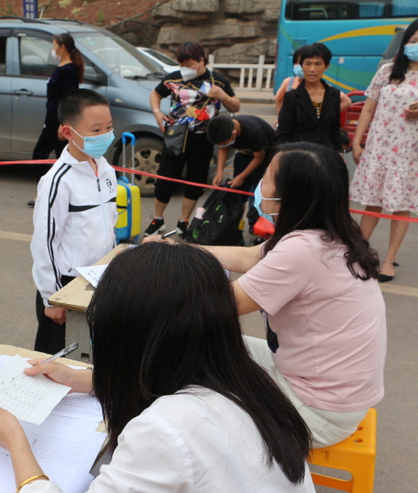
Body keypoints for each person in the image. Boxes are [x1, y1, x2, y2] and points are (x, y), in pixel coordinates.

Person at [0, 242, 322, 493]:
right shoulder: (246, 381)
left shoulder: (167, 432)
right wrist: (88, 380)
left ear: (130, 339)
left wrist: (15, 441)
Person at [201, 142, 386, 448]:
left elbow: (217, 306)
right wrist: (179, 251)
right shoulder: (330, 236)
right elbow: (248, 256)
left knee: (193, 357)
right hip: (333, 394)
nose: (260, 183)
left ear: (290, 195)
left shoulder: (303, 250)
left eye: (267, 177)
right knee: (209, 348)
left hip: (317, 411)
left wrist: (155, 276)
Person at [30, 89, 118, 354]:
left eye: (109, 127)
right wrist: (52, 298)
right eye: (96, 130)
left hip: (100, 280)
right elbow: (44, 243)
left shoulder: (106, 170)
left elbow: (109, 223)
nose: (105, 135)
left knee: (93, 356)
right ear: (68, 132)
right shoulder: (58, 180)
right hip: (66, 285)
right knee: (58, 359)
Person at [145, 41, 240, 236]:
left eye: (188, 64)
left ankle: (184, 221)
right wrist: (157, 112)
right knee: (164, 179)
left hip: (203, 139)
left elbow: (235, 106)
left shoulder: (217, 81)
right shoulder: (173, 78)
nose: (184, 68)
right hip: (175, 136)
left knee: (195, 181)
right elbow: (155, 94)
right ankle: (157, 220)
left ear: (201, 61)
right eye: (181, 64)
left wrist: (223, 96)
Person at [350, 18, 418, 283]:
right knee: (373, 202)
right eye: (413, 41)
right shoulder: (387, 71)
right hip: (380, 148)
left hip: (410, 153)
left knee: (402, 206)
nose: (416, 46)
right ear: (405, 43)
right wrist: (357, 141)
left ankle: (389, 259)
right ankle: (359, 252)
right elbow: (368, 108)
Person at [28, 32, 83, 206]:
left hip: (57, 121)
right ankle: (62, 194)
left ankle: (45, 192)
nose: (52, 50)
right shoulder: (62, 67)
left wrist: (63, 123)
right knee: (63, 157)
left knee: (39, 155)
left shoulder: (68, 70)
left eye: (54, 46)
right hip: (53, 118)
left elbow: (69, 98)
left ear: (62, 47)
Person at [206, 114, 276, 230]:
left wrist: (241, 177)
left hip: (265, 157)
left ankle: (256, 224)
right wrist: (219, 172)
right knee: (237, 193)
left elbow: (259, 157)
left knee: (257, 193)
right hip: (244, 155)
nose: (223, 145)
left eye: (225, 142)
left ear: (233, 134)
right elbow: (223, 148)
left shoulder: (252, 131)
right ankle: (236, 225)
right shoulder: (225, 128)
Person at [276, 42, 342, 150]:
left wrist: (339, 153)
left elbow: (334, 129)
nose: (312, 69)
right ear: (302, 66)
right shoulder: (291, 97)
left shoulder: (334, 95)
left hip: (326, 153)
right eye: (308, 63)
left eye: (318, 64)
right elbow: (283, 132)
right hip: (299, 153)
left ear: (326, 66)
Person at [275, 46, 352, 116]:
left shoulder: (325, 88)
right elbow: (278, 98)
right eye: (298, 62)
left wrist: (327, 115)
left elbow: (347, 101)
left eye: (317, 64)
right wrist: (280, 117)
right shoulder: (289, 82)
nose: (311, 69)